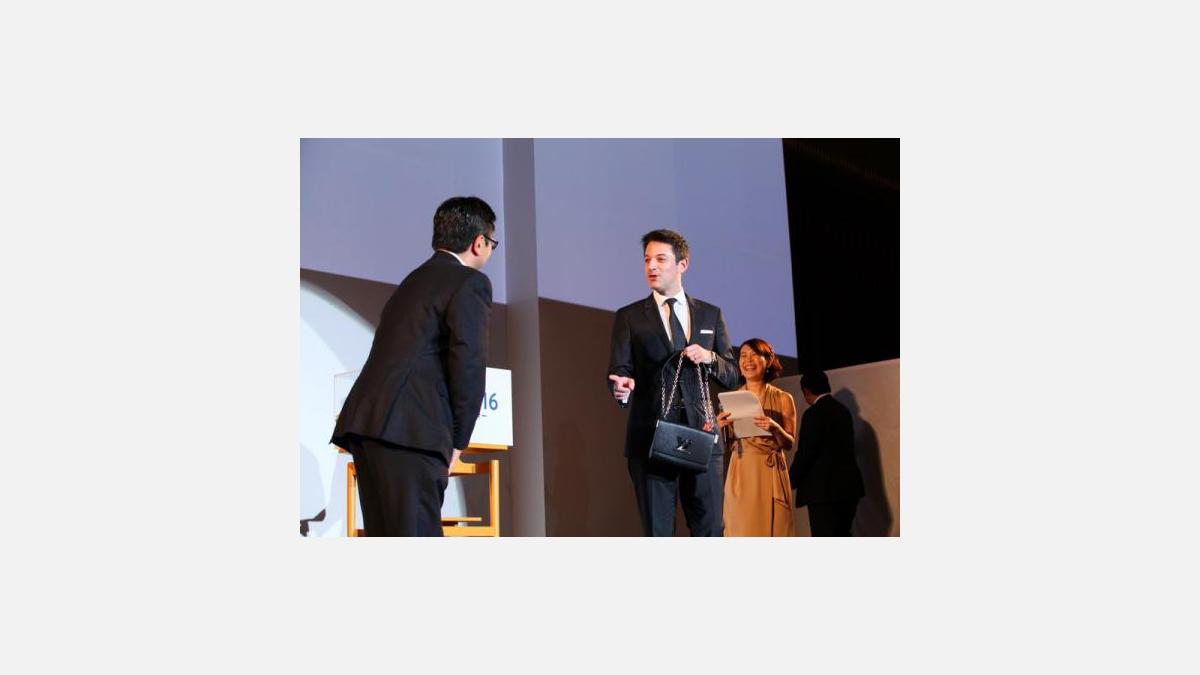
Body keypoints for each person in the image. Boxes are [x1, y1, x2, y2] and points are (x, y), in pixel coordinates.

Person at [330, 196, 497, 536]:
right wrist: (458, 442)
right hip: (411, 433)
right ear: (478, 242)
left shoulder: (414, 280)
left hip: (370, 427)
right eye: (493, 244)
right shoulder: (469, 282)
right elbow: (468, 362)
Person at [607, 229, 741, 536]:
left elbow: (733, 375)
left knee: (710, 531)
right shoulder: (629, 316)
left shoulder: (710, 314)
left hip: (703, 437)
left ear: (683, 264)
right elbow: (619, 369)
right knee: (659, 534)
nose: (651, 266)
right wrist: (621, 388)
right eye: (646, 260)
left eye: (660, 259)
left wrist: (710, 358)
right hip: (651, 439)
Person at [716, 338, 796, 536]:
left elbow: (789, 443)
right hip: (741, 472)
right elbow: (724, 446)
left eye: (754, 355)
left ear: (768, 361)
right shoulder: (730, 400)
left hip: (770, 472)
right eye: (743, 355)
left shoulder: (783, 398)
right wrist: (719, 429)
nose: (748, 360)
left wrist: (776, 429)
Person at [788, 370, 865, 536]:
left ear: (806, 391)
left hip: (823, 493)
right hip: (849, 489)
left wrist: (789, 481)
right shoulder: (843, 411)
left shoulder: (812, 414)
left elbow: (806, 453)